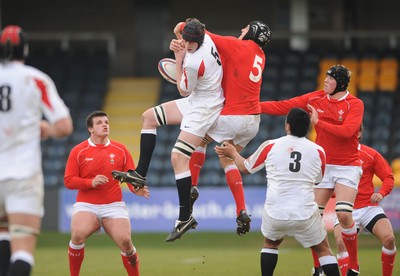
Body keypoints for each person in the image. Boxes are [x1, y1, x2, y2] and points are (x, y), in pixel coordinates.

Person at [112, 18, 271, 236]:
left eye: (245, 28)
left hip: (208, 108)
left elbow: (183, 89)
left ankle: (186, 210)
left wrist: (178, 55)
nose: (241, 30)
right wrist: (181, 39)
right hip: (243, 115)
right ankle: (141, 173)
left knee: (181, 156)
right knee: (148, 117)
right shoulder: (253, 53)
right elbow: (185, 30)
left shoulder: (207, 55)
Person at [260, 64, 364, 276]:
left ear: (341, 83)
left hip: (347, 166)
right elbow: (283, 106)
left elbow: (347, 132)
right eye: (325, 78)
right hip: (325, 165)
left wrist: (318, 123)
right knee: (313, 217)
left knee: (343, 214)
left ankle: (354, 265)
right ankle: (318, 268)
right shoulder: (315, 98)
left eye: (330, 79)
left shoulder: (355, 104)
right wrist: (251, 106)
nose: (325, 81)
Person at [215, 108, 340, 276]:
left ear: (287, 126)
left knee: (270, 244)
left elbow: (245, 168)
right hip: (304, 211)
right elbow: (318, 180)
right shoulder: (318, 151)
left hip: (276, 210)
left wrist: (233, 153)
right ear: (308, 127)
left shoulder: (271, 145)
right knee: (323, 249)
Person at [0, 25, 73, 276]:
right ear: (25, 49)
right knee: (22, 251)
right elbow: (64, 126)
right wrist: (45, 128)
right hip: (22, 174)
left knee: (3, 236)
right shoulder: (35, 79)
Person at [64, 111, 149, 276]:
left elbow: (130, 177)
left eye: (106, 122)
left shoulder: (120, 149)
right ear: (90, 129)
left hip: (113, 205)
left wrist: (136, 189)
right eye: (99, 123)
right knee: (77, 235)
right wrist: (90, 182)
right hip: (86, 204)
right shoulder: (79, 151)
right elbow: (68, 180)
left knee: (126, 243)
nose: (104, 125)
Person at [315, 124, 397, 276]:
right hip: (346, 209)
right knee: (340, 243)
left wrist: (382, 193)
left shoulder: (370, 154)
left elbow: (388, 177)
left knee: (389, 239)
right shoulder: (332, 157)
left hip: (369, 207)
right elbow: (326, 183)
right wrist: (333, 192)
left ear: (359, 133)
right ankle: (351, 269)